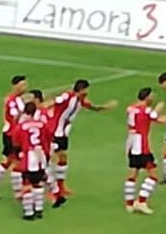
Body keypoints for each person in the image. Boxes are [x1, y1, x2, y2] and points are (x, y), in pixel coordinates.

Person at [47, 79, 116, 207]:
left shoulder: (81, 100)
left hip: (62, 133)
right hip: (53, 131)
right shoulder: (67, 96)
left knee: (62, 159)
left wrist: (105, 107)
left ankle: (61, 187)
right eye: (86, 89)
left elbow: (93, 107)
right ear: (82, 89)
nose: (87, 92)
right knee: (50, 160)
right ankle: (51, 190)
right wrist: (37, 111)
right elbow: (52, 102)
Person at [124, 87, 166, 215]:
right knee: (154, 176)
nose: (153, 97)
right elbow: (161, 120)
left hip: (131, 144)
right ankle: (141, 202)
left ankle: (129, 203)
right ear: (147, 97)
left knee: (132, 174)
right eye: (152, 95)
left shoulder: (131, 108)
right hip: (142, 147)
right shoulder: (146, 110)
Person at [12, 100, 53, 220]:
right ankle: (39, 209)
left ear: (25, 112)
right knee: (38, 183)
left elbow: (15, 143)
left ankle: (29, 212)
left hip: (29, 158)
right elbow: (48, 138)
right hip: (40, 156)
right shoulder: (41, 125)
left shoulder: (21, 127)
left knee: (26, 184)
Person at [0, 74, 27, 199]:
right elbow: (15, 117)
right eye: (22, 85)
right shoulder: (11, 100)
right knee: (17, 162)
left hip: (16, 133)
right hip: (12, 134)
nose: (25, 87)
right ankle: (18, 192)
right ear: (15, 86)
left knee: (7, 160)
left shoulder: (20, 99)